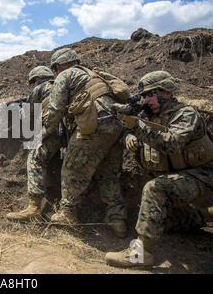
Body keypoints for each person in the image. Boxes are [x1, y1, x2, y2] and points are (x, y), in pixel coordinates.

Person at [105, 71, 213, 267]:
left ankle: (141, 254)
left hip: (204, 177)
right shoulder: (151, 115)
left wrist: (137, 127)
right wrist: (129, 135)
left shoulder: (185, 113)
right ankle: (205, 215)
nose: (146, 100)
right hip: (181, 179)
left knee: (155, 188)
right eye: (144, 96)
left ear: (166, 92)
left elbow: (172, 143)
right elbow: (131, 129)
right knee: (158, 221)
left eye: (150, 94)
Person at [43, 48, 127, 238]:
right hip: (116, 126)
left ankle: (67, 213)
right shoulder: (94, 75)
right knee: (108, 173)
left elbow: (56, 108)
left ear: (58, 66)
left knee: (71, 168)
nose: (55, 72)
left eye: (55, 68)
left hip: (94, 127)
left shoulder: (65, 75)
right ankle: (117, 219)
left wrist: (46, 131)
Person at [6, 66, 64, 222]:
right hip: (70, 132)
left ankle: (33, 209)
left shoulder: (41, 87)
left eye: (31, 83)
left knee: (34, 156)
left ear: (36, 80)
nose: (32, 86)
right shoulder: (61, 85)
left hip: (56, 131)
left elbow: (28, 115)